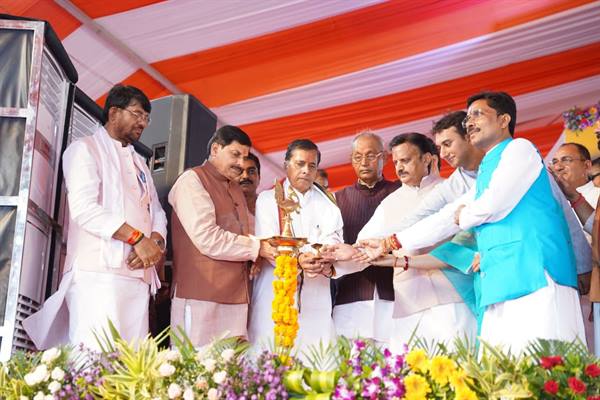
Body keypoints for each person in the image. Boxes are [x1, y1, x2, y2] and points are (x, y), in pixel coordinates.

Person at [359, 92, 586, 354]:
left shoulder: (520, 149)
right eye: (467, 118)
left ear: (503, 120)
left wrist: (464, 215)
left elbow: (491, 204)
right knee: (504, 369)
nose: (470, 122)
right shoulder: (485, 170)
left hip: (537, 271)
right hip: (500, 278)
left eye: (478, 114)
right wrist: (388, 243)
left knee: (548, 363)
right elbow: (442, 218)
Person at [24, 85, 167, 350]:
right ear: (113, 113)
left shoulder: (140, 163)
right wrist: (137, 239)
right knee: (94, 354)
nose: (143, 123)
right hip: (98, 274)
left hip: (137, 276)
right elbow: (84, 209)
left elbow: (156, 211)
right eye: (137, 114)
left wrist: (155, 243)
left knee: (133, 360)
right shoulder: (84, 149)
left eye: (146, 118)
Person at [358, 132, 477, 351]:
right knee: (409, 368)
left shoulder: (450, 190)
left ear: (427, 159)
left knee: (459, 364)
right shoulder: (389, 203)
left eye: (405, 160)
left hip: (452, 296)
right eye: (396, 162)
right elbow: (364, 244)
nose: (399, 167)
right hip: (409, 302)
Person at [168, 125, 276, 347]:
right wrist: (257, 248)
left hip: (237, 297)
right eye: (235, 154)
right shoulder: (192, 180)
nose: (241, 163)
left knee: (230, 367)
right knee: (195, 364)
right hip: (201, 295)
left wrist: (256, 256)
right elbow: (207, 237)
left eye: (244, 157)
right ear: (216, 149)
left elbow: (244, 234)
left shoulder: (235, 189)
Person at [249, 139, 346, 355]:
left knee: (316, 356)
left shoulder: (328, 203)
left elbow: (335, 239)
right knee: (271, 354)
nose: (306, 171)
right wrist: (300, 260)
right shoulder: (268, 199)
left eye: (312, 166)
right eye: (300, 164)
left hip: (316, 292)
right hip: (277, 290)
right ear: (286, 165)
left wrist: (324, 256)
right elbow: (269, 243)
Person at [332, 131, 400, 344]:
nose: (364, 162)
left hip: (395, 293)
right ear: (351, 160)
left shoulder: (399, 193)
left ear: (384, 158)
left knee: (395, 358)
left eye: (371, 155)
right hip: (351, 295)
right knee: (353, 361)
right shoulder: (337, 200)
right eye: (358, 156)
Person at [551, 143, 599, 209]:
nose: (557, 167)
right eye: (555, 162)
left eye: (566, 160)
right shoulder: (552, 202)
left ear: (586, 165)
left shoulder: (597, 195)